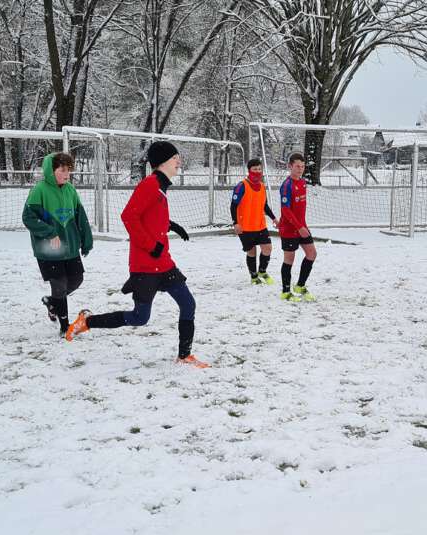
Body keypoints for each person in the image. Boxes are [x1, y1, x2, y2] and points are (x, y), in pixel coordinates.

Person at [64, 141, 207, 368]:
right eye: (174, 158)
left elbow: (150, 217)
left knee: (188, 304)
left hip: (164, 264)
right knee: (140, 318)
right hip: (146, 265)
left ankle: (184, 355)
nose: (179, 161)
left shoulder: (160, 187)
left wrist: (171, 225)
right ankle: (86, 322)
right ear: (161, 162)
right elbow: (129, 216)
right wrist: (152, 246)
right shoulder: (150, 185)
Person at [22, 152, 93, 336]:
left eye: (69, 170)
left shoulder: (70, 190)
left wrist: (86, 240)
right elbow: (28, 217)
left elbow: (81, 217)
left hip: (69, 247)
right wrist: (49, 232)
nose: (67, 174)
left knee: (77, 279)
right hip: (49, 250)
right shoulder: (39, 190)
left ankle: (53, 303)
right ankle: (64, 327)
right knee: (60, 285)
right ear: (51, 170)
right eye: (62, 170)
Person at [277, 153, 316, 301]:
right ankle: (286, 292)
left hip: (302, 227)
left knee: (312, 254)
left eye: (302, 166)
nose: (300, 169)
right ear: (290, 166)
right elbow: (286, 210)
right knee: (289, 259)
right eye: (297, 166)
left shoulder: (303, 182)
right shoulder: (286, 186)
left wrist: (302, 225)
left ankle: (300, 285)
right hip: (289, 229)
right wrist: (298, 226)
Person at [231, 158, 276, 284]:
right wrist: (236, 223)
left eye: (259, 169)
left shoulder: (262, 186)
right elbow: (233, 205)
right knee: (252, 252)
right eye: (255, 169)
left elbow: (264, 205)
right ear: (249, 170)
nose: (258, 171)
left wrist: (274, 218)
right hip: (245, 227)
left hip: (260, 225)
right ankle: (254, 276)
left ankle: (262, 271)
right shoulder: (241, 186)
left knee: (267, 248)